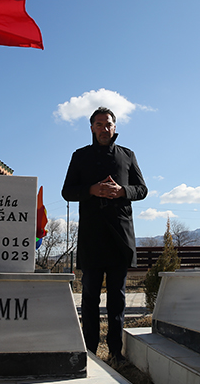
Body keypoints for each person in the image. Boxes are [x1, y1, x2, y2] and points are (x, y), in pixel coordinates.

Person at [62, 107, 148, 362]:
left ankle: (115, 350)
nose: (103, 128)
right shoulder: (80, 156)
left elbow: (142, 189)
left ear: (114, 127)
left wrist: (122, 191)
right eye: (98, 124)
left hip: (119, 236)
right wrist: (92, 189)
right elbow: (67, 191)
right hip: (91, 235)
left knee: (117, 297)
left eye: (107, 124)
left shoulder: (127, 155)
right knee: (89, 296)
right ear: (91, 128)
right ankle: (89, 349)